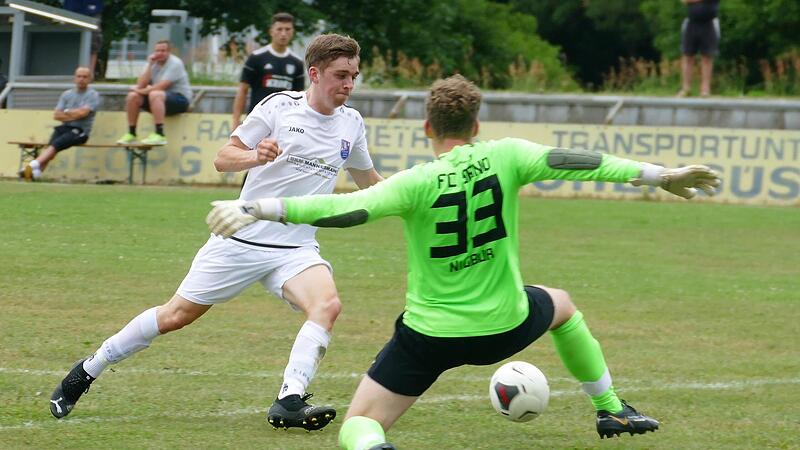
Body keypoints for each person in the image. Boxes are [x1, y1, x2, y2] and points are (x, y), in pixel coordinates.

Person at [206, 75, 721, 449]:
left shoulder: (416, 182)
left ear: (428, 126)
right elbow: (581, 161)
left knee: (359, 425)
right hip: (507, 324)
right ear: (476, 124)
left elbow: (347, 209)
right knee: (561, 306)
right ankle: (612, 411)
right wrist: (660, 175)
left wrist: (256, 206)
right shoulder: (509, 154)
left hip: (430, 338)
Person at [49, 33, 382, 433]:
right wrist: (253, 155)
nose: (348, 85)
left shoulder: (352, 123)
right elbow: (224, 158)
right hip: (239, 240)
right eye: (340, 75)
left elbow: (370, 180)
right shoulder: (279, 107)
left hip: (295, 249)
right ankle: (87, 369)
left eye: (353, 76)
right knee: (175, 316)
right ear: (314, 73)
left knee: (327, 306)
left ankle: (290, 398)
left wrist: (416, 193)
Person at [19, 66, 100, 181]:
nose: (81, 79)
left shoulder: (93, 95)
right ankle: (34, 174)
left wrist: (67, 112)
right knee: (51, 148)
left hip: (81, 131)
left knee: (55, 145)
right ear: (74, 78)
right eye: (79, 76)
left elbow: (83, 113)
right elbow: (57, 115)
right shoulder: (66, 94)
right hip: (64, 127)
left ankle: (32, 165)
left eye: (85, 77)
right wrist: (73, 113)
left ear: (90, 79)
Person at [232, 12, 305, 129]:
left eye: (287, 29)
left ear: (293, 32)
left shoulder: (297, 62)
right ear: (271, 31)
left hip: (285, 124)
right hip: (257, 121)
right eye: (279, 29)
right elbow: (243, 90)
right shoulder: (256, 57)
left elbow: (299, 97)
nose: (283, 34)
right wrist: (235, 121)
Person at [116, 40, 192, 146]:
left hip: (180, 100)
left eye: (163, 50)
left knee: (155, 93)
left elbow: (161, 86)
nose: (159, 53)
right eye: (157, 51)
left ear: (169, 52)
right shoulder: (152, 63)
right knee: (132, 96)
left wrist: (138, 90)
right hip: (158, 100)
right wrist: (149, 65)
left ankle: (159, 134)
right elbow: (141, 84)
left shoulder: (175, 63)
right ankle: (131, 133)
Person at [677, 0, 720, 97]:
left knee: (707, 57)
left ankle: (705, 89)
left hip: (709, 23)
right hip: (691, 22)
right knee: (687, 56)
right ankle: (686, 88)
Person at [62, 0, 104, 79]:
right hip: (71, 10)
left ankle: (89, 75)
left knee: (93, 42)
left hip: (92, 10)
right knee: (69, 42)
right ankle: (71, 74)